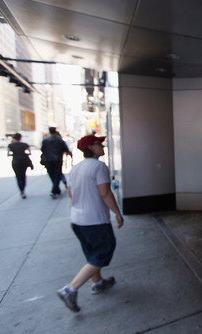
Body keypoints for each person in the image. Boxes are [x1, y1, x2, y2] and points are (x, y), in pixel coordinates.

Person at [56, 134, 124, 313]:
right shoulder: (99, 166)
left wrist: (72, 217)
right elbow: (105, 193)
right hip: (95, 220)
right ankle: (70, 289)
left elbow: (71, 194)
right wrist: (117, 213)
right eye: (99, 144)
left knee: (92, 254)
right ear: (91, 148)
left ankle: (98, 283)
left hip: (78, 220)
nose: (102, 146)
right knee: (103, 252)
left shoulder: (75, 168)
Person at [40, 127, 70, 198]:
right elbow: (66, 149)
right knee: (56, 175)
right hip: (57, 160)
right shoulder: (59, 139)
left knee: (53, 175)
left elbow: (42, 149)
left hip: (49, 160)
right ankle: (55, 189)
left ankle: (54, 190)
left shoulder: (46, 140)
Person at [7, 133, 33, 199]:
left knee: (18, 177)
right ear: (20, 138)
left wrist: (14, 154)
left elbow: (8, 154)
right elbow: (30, 152)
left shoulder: (11, 145)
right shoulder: (25, 144)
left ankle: (21, 191)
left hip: (16, 162)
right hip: (24, 161)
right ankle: (23, 190)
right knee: (23, 176)